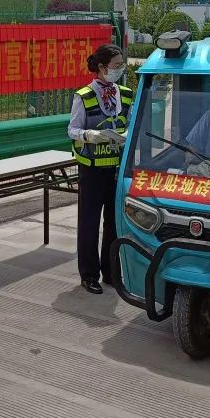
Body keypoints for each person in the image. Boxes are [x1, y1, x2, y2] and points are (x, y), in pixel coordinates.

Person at [68, 43, 132, 294]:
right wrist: (89, 135)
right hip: (92, 169)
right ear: (103, 67)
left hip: (116, 168)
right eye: (116, 65)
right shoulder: (84, 95)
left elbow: (131, 122)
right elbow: (72, 130)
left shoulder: (125, 94)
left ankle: (111, 272)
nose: (120, 69)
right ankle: (89, 274)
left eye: (121, 65)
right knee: (89, 223)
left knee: (114, 223)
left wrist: (126, 135)